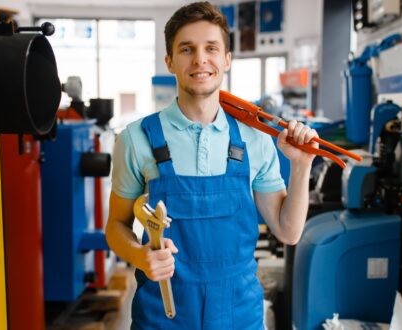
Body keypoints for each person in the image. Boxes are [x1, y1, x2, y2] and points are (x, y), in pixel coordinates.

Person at [105, 2, 318, 329]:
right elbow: (116, 226)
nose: (200, 59)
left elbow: (288, 232)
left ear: (226, 60)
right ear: (170, 61)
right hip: (164, 312)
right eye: (186, 49)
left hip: (238, 314)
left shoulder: (255, 139)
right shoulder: (136, 139)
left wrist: (302, 166)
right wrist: (140, 257)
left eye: (211, 48)